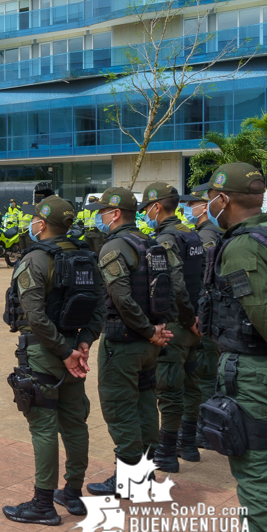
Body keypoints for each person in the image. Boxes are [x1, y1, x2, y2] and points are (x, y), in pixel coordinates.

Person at [1, 196, 104, 526]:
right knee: (75, 422)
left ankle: (43, 503)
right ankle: (72, 493)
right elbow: (100, 306)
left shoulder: (35, 259)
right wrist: (83, 342)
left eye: (34, 220)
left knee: (43, 426)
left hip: (46, 353)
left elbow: (34, 314)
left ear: (41, 224)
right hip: (75, 348)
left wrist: (63, 351)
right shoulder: (86, 256)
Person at [195, 163, 267, 532]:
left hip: (255, 369)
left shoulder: (243, 246)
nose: (206, 205)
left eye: (210, 197)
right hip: (261, 365)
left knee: (255, 463)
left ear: (222, 199)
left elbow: (264, 312)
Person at [84, 187, 173, 496]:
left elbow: (121, 298)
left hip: (124, 343)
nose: (100, 218)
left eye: (103, 212)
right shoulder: (150, 243)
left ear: (116, 213)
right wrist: (159, 329)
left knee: (120, 408)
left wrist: (149, 331)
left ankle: (129, 477)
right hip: (150, 344)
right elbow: (165, 291)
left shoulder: (114, 248)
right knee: (146, 405)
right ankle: (145, 472)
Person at [138, 182, 204, 474]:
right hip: (197, 323)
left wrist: (188, 319)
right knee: (192, 386)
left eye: (147, 209)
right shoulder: (193, 234)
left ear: (156, 206)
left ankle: (166, 452)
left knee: (169, 389)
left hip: (179, 324)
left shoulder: (165, 240)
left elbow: (175, 284)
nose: (146, 215)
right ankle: (188, 444)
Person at [179, 185, 224, 457]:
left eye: (192, 204)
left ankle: (204, 430)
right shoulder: (210, 233)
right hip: (210, 314)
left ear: (203, 205)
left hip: (205, 316)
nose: (188, 209)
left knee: (203, 376)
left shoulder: (207, 235)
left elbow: (205, 280)